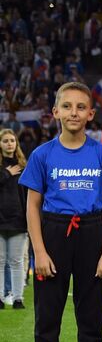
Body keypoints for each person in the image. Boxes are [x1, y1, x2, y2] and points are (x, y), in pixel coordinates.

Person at [20, 82, 102, 342]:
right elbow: (32, 205)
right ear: (55, 112)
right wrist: (39, 251)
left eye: (80, 107)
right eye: (67, 106)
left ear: (91, 113)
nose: (73, 113)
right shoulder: (42, 155)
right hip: (53, 233)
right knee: (47, 319)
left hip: (92, 232)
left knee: (91, 320)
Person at [0, 128, 27, 309]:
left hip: (18, 220)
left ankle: (18, 298)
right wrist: (6, 174)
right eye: (5, 141)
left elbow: (27, 197)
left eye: (12, 140)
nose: (10, 143)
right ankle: (1, 298)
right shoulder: (4, 169)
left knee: (16, 261)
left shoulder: (24, 166)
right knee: (0, 261)